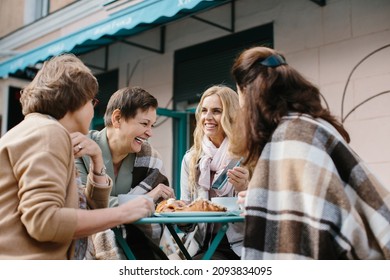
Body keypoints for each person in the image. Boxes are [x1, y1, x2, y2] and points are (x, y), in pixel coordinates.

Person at [231, 46, 390, 259]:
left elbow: (304, 235)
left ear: (246, 92)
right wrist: (262, 198)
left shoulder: (291, 138)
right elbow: (315, 201)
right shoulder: (309, 126)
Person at [0, 54, 154, 260]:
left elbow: (91, 213)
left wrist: (97, 161)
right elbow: (44, 221)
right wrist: (124, 213)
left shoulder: (37, 130)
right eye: (92, 101)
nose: (93, 110)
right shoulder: (48, 134)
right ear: (76, 100)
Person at [75, 86, 174, 259]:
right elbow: (83, 205)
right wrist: (146, 198)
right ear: (117, 118)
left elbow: (161, 209)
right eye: (144, 124)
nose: (150, 133)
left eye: (152, 125)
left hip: (138, 249)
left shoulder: (150, 158)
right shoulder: (82, 148)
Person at [179, 85, 250, 260]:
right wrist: (180, 212)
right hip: (200, 245)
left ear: (231, 115)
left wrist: (246, 188)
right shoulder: (191, 159)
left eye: (217, 111)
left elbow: (266, 214)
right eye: (204, 111)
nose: (207, 117)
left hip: (241, 246)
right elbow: (186, 223)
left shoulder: (248, 155)